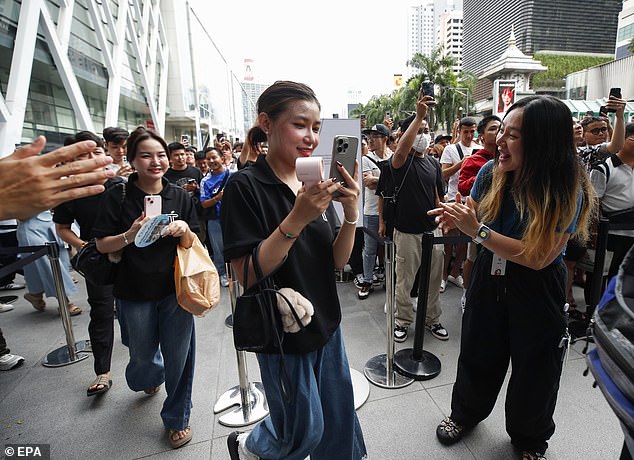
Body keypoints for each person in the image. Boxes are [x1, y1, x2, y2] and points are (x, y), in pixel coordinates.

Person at [430, 95, 594, 460]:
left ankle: (529, 439)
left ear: (543, 142)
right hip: (491, 275)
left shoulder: (567, 186)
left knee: (536, 366)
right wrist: (457, 215)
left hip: (538, 286)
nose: (499, 140)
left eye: (513, 135)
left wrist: (478, 232)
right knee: (477, 350)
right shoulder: (491, 172)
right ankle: (465, 413)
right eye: (501, 131)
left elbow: (539, 257)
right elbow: (472, 211)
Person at [221, 81, 366, 459]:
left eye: (316, 128)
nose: (311, 138)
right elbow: (247, 274)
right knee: (303, 432)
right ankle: (255, 444)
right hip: (283, 333)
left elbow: (337, 261)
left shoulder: (313, 181)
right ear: (266, 123)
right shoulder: (245, 186)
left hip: (327, 324)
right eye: (300, 125)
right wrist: (296, 219)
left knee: (337, 423)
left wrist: (350, 215)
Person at [93, 127, 199, 449]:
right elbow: (101, 245)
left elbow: (197, 240)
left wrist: (183, 230)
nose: (156, 161)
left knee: (180, 357)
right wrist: (130, 233)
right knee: (141, 356)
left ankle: (178, 418)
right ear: (132, 160)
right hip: (132, 290)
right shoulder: (118, 195)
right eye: (146, 156)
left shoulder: (180, 196)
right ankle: (151, 375)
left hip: (175, 291)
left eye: (161, 155)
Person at [54, 131, 122, 396]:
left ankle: (146, 367)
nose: (93, 159)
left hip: (129, 256)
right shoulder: (69, 192)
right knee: (102, 312)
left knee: (135, 311)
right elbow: (62, 228)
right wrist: (86, 247)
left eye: (97, 152)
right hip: (97, 261)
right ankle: (102, 372)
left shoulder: (121, 184)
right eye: (84, 155)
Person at [377, 95, 447, 343]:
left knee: (433, 279)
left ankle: (432, 318)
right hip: (406, 233)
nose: (424, 134)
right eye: (419, 130)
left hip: (432, 233)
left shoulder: (433, 165)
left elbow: (438, 197)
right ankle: (403, 320)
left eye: (426, 130)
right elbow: (401, 152)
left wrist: (444, 216)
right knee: (404, 282)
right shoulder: (399, 162)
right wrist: (418, 117)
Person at [457, 115, 501, 311]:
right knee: (474, 257)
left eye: (501, 128)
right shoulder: (475, 161)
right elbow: (462, 186)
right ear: (481, 136)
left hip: (501, 223)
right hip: (480, 221)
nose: (499, 132)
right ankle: (467, 292)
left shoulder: (512, 159)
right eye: (493, 129)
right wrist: (483, 178)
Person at [589, 122, 634, 278]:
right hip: (612, 233)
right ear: (621, 139)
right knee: (603, 275)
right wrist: (594, 231)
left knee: (626, 279)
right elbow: (594, 203)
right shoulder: (603, 168)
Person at [440, 117, 478, 294]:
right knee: (449, 242)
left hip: (472, 202)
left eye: (472, 131)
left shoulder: (479, 149)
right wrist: (462, 164)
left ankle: (455, 273)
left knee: (465, 243)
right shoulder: (450, 149)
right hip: (453, 200)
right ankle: (442, 276)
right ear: (460, 131)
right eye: (466, 132)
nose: (469, 135)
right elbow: (443, 175)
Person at [357, 124, 392, 299]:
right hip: (371, 211)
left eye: (375, 136)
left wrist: (377, 179)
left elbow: (378, 182)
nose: (370, 140)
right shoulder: (365, 159)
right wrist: (387, 180)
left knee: (389, 247)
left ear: (385, 139)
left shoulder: (394, 157)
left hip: (391, 211)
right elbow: (368, 184)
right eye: (369, 136)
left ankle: (388, 278)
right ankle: (367, 280)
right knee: (370, 248)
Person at [200, 148, 231, 287]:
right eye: (208, 159)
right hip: (215, 220)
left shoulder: (233, 174)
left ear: (222, 158)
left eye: (214, 157)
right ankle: (222, 273)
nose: (211, 161)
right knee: (219, 250)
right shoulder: (205, 181)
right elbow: (204, 203)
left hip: (233, 218)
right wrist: (217, 198)